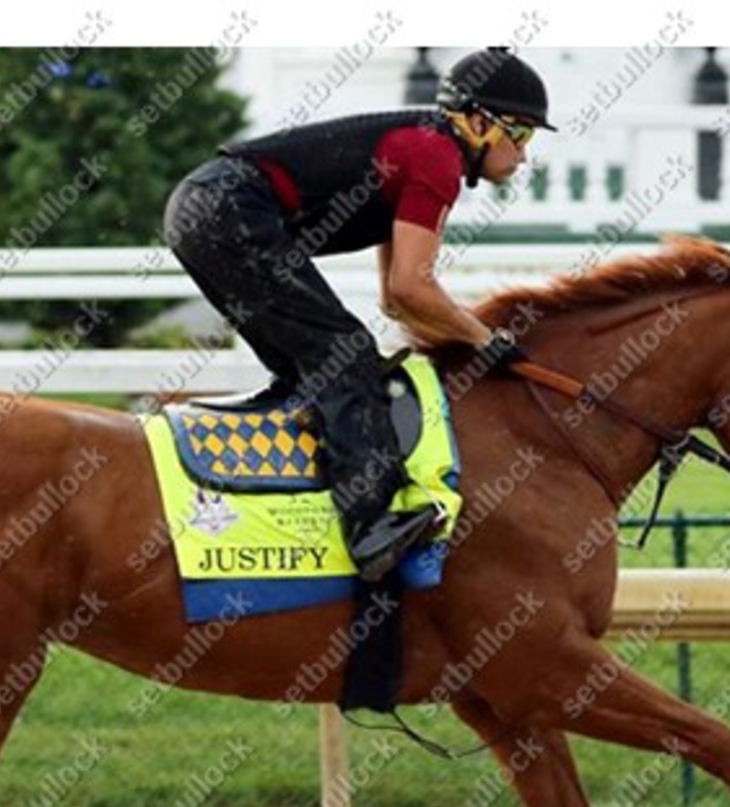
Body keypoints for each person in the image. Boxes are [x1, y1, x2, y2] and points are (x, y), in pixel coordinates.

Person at [163, 47, 554, 581]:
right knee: (346, 356)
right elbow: (414, 287)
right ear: (481, 122)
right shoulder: (437, 157)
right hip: (228, 209)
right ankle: (370, 531)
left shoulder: (424, 147)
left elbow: (397, 298)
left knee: (315, 365)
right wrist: (485, 340)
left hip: (202, 206)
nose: (525, 156)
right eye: (523, 135)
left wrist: (465, 341)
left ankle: (297, 482)